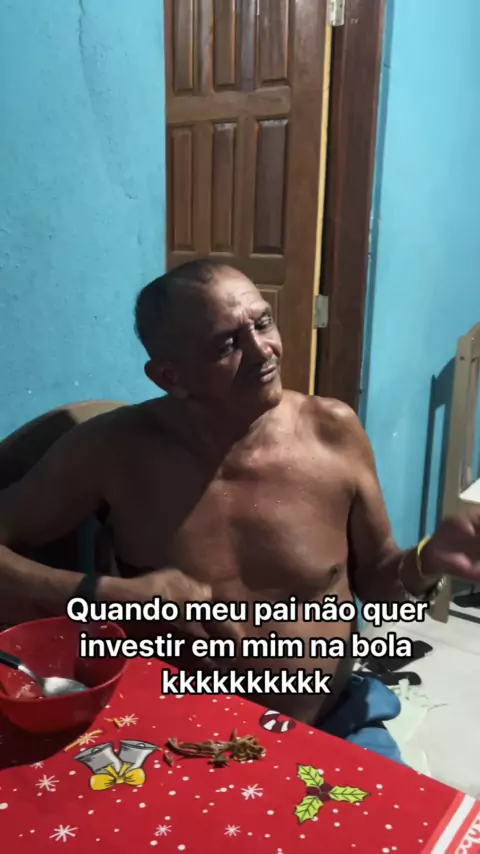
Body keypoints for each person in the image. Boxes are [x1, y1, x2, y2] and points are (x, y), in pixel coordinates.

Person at [0, 260, 478, 764]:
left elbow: (379, 582)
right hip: (176, 735)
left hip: (332, 722)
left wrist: (428, 560)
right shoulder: (112, 450)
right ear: (169, 376)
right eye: (226, 344)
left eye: (263, 323)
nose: (263, 350)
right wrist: (111, 594)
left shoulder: (332, 433)